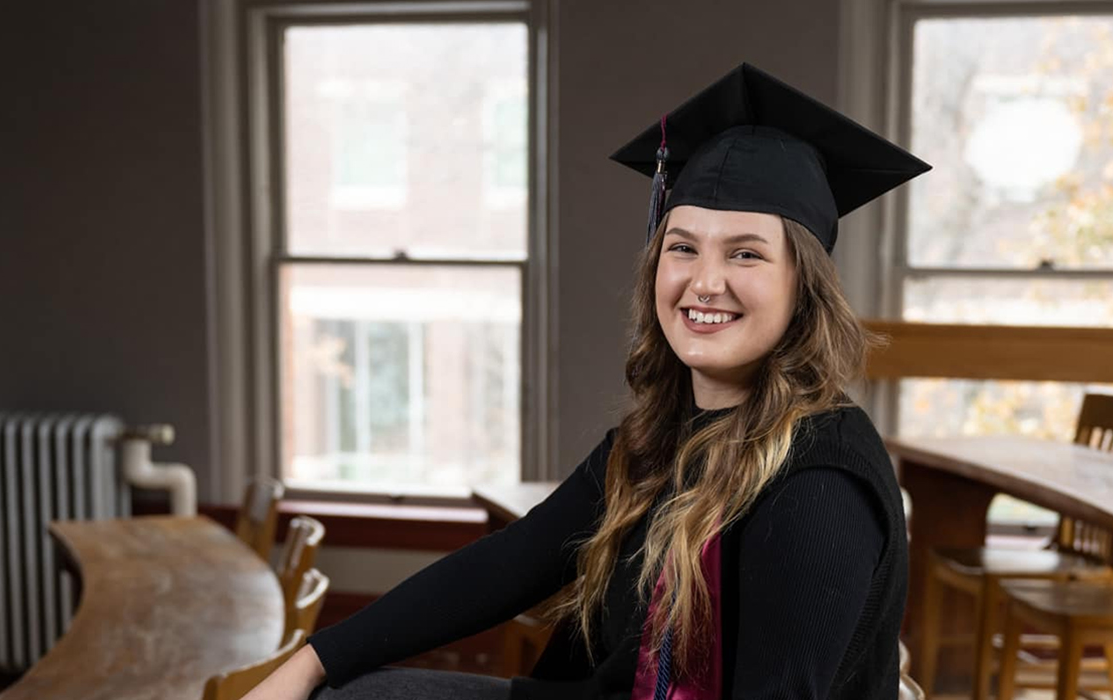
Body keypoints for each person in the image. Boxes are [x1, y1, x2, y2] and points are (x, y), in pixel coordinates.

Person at [243, 62, 931, 700]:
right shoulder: (662, 440)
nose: (705, 282)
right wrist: (309, 661)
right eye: (683, 247)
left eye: (746, 254)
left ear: (802, 289)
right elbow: (508, 565)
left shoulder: (818, 486)